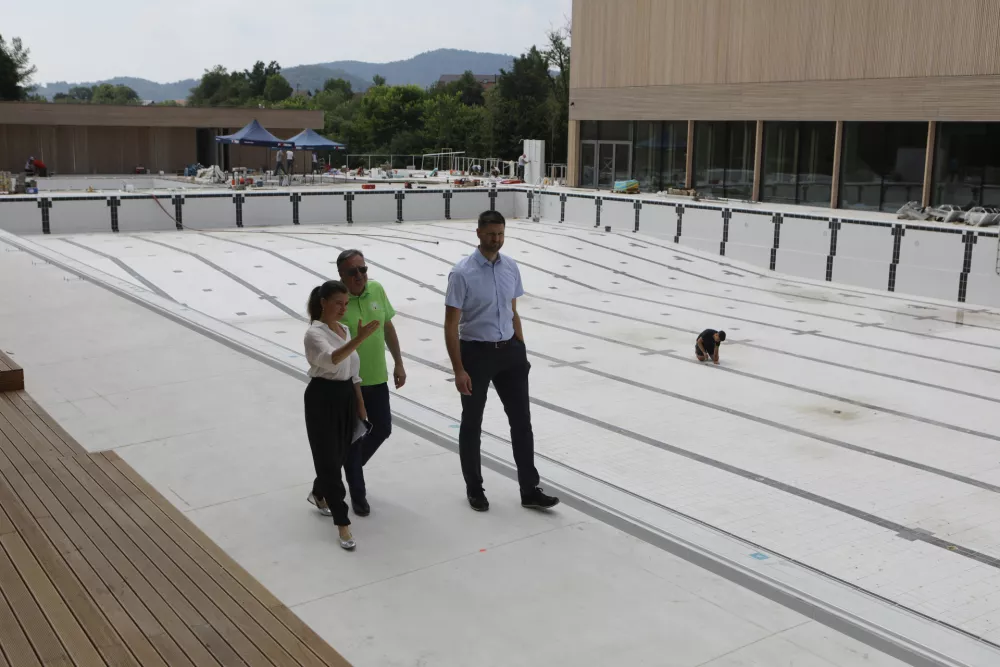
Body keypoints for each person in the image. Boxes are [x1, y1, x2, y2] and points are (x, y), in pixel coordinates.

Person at [444, 210, 559, 513]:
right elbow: (450, 325)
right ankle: (475, 488)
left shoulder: (510, 267)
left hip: (510, 353)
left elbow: (512, 309)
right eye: (491, 234)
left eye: (501, 234)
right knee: (472, 423)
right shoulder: (461, 273)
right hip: (476, 354)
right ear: (478, 233)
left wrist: (521, 348)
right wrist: (458, 369)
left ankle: (529, 488)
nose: (496, 240)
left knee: (522, 423)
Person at [308, 250, 405, 518]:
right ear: (341, 275)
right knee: (352, 443)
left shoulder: (377, 289)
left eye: (363, 269)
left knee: (381, 429)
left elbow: (388, 328)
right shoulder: (337, 305)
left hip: (378, 378)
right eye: (353, 272)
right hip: (350, 385)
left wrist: (398, 362)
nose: (360, 275)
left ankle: (324, 485)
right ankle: (358, 496)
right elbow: (329, 350)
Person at [303, 280, 380, 550]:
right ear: (323, 302)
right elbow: (331, 359)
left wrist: (360, 406)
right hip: (322, 398)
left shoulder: (345, 329)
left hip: (346, 395)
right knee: (327, 459)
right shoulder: (314, 333)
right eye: (338, 303)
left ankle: (319, 492)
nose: (343, 309)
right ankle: (342, 522)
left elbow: (353, 372)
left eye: (345, 304)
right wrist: (359, 339)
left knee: (342, 454)